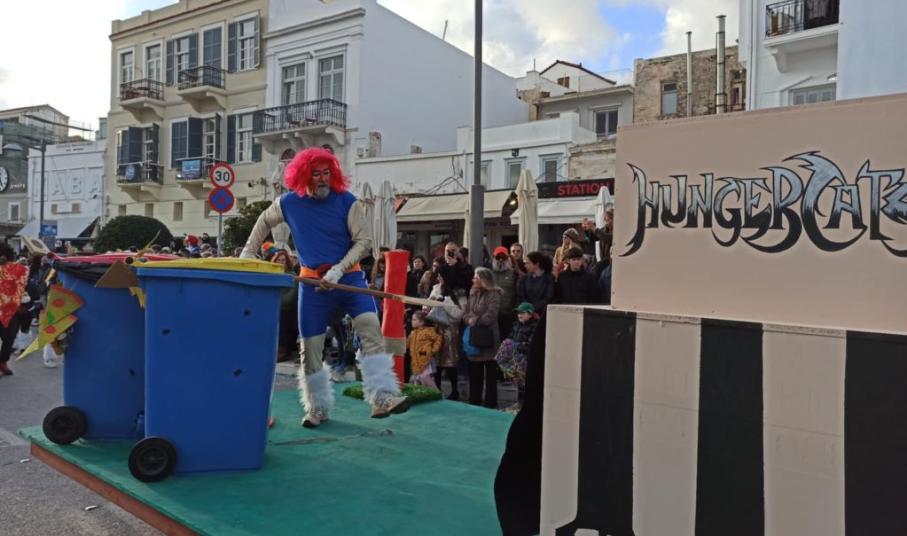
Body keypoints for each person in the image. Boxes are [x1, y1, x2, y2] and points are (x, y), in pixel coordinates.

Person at [241, 147, 408, 427]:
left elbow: (364, 241)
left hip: (350, 277)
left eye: (327, 173)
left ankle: (382, 397)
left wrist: (338, 270)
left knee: (370, 327)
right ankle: (317, 408)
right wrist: (249, 251)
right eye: (316, 174)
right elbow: (264, 220)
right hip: (311, 284)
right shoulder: (289, 202)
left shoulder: (347, 201)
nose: (322, 179)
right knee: (310, 348)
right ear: (303, 176)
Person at [462, 267, 502, 408]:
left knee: (490, 375)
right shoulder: (472, 292)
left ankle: (491, 403)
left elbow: (491, 315)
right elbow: (466, 312)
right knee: (474, 372)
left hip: (489, 338)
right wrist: (468, 319)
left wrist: (475, 320)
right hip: (474, 337)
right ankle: (474, 402)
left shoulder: (494, 294)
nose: (473, 280)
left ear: (483, 280)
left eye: (476, 278)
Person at [428, 264, 467, 401]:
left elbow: (459, 314)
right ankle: (436, 391)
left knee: (450, 363)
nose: (438, 278)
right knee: (436, 363)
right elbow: (426, 305)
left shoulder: (458, 292)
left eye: (441, 275)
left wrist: (444, 302)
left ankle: (455, 392)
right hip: (435, 329)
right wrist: (429, 304)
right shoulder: (435, 288)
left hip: (450, 330)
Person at [494, 302, 539, 406]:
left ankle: (526, 406)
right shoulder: (516, 325)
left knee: (526, 385)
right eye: (518, 313)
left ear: (530, 314)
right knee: (519, 384)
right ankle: (519, 404)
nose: (519, 315)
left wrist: (515, 345)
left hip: (528, 361)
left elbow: (531, 347)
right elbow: (509, 340)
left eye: (522, 313)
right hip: (516, 360)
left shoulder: (535, 327)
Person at [0, 242, 28, 377]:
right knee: (9, 338)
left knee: (9, 338)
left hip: (10, 311)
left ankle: (3, 362)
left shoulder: (17, 270)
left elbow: (21, 286)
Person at [406, 311, 441, 389]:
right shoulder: (412, 333)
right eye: (412, 319)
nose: (412, 321)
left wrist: (433, 350)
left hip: (426, 361)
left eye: (414, 319)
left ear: (421, 322)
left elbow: (438, 338)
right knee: (417, 381)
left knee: (427, 380)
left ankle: (437, 394)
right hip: (415, 362)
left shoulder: (428, 331)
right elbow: (406, 344)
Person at [490, 246, 517, 341]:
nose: (500, 260)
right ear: (493, 258)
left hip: (508, 314)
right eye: (498, 257)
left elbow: (518, 292)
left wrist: (514, 309)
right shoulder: (489, 273)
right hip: (492, 314)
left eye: (503, 257)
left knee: (506, 340)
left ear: (508, 258)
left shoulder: (514, 274)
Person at [517, 251, 555, 317]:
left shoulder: (549, 278)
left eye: (528, 263)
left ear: (537, 264)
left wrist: (534, 309)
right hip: (527, 314)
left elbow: (548, 297)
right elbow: (522, 296)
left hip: (543, 314)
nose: (525, 266)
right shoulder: (524, 279)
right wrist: (529, 310)